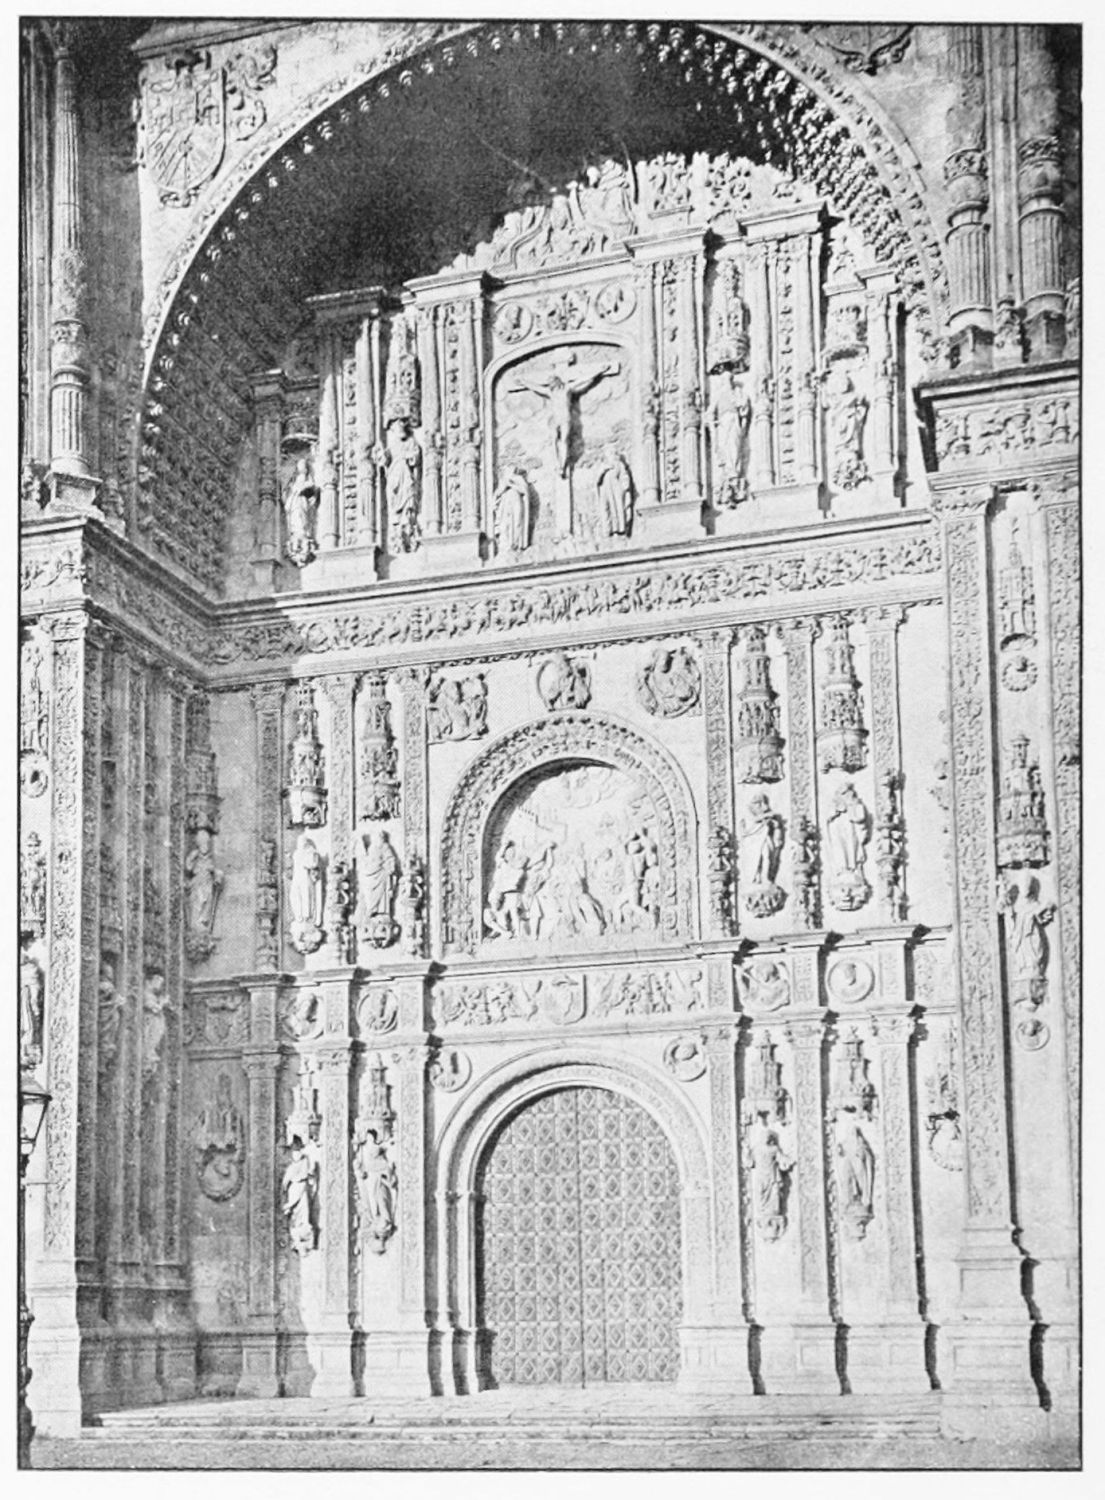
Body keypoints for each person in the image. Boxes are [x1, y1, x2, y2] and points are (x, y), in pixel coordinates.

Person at [493, 466, 531, 553]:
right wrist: (504, 487)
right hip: (505, 504)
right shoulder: (503, 481)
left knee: (517, 522)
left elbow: (524, 491)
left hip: (516, 502)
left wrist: (511, 485)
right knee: (505, 524)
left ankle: (516, 545)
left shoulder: (519, 479)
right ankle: (506, 546)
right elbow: (497, 494)